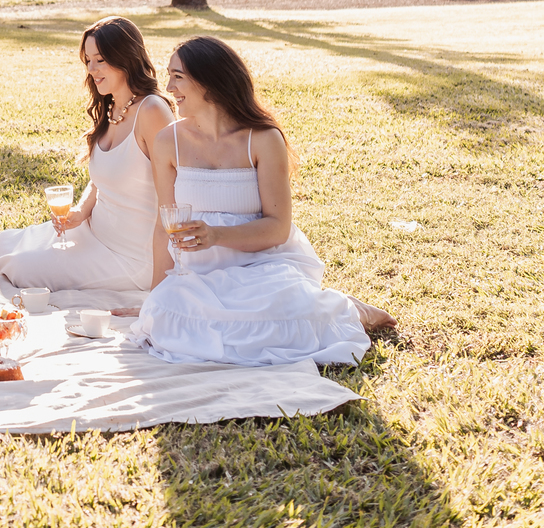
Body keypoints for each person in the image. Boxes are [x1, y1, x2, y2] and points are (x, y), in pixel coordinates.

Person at [126, 36, 395, 367]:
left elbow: (278, 228)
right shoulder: (168, 141)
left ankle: (348, 309)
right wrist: (155, 296)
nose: (169, 86)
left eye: (178, 76)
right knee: (165, 316)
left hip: (262, 265)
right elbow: (162, 225)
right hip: (199, 274)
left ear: (209, 81)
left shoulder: (263, 139)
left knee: (282, 313)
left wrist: (217, 235)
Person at [0, 16, 174, 293]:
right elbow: (102, 180)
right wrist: (81, 212)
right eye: (87, 60)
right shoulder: (112, 109)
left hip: (131, 258)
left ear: (125, 58)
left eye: (101, 60)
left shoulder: (152, 111)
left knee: (21, 268)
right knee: (6, 244)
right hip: (93, 233)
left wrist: (161, 288)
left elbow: (170, 202)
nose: (92, 69)